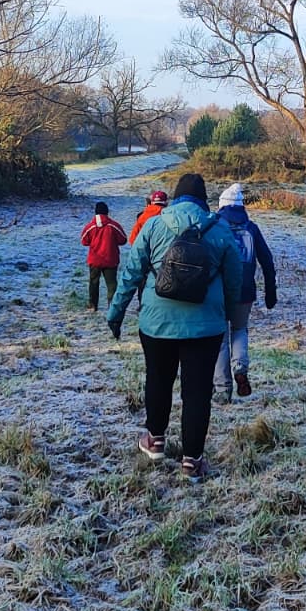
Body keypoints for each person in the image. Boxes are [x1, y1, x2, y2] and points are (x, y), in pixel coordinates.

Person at [107, 173, 242, 481]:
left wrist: (116, 312)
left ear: (176, 197)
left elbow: (131, 273)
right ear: (203, 200)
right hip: (205, 327)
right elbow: (235, 281)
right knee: (198, 391)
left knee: (158, 378)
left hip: (157, 323)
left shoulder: (154, 225)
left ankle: (155, 441)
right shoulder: (220, 230)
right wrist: (230, 317)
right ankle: (192, 461)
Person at [213, 183, 278, 403]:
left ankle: (222, 389)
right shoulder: (251, 228)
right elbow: (267, 261)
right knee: (240, 329)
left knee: (221, 338)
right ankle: (240, 367)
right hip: (245, 291)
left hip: (219, 291)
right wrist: (270, 292)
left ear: (222, 205)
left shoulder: (215, 226)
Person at [79, 200, 126, 314]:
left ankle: (92, 305)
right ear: (107, 212)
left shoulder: (90, 226)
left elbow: (84, 241)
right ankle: (112, 306)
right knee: (111, 284)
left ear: (95, 212)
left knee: (93, 283)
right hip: (111, 259)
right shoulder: (114, 225)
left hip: (95, 259)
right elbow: (123, 240)